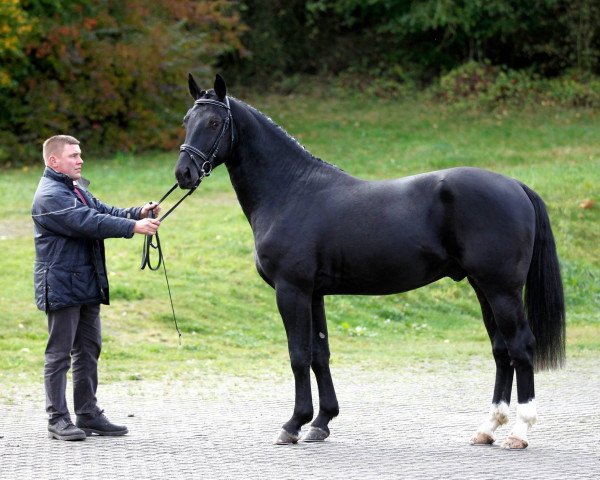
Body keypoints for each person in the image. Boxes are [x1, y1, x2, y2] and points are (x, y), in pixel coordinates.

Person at [32, 135, 161, 441]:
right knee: (59, 355)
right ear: (54, 161)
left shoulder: (74, 188)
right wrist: (133, 228)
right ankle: (57, 419)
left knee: (89, 350)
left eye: (80, 155)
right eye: (73, 156)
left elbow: (103, 211)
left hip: (85, 282)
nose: (80, 160)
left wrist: (136, 213)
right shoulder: (50, 195)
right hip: (61, 285)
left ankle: (87, 414)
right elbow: (87, 221)